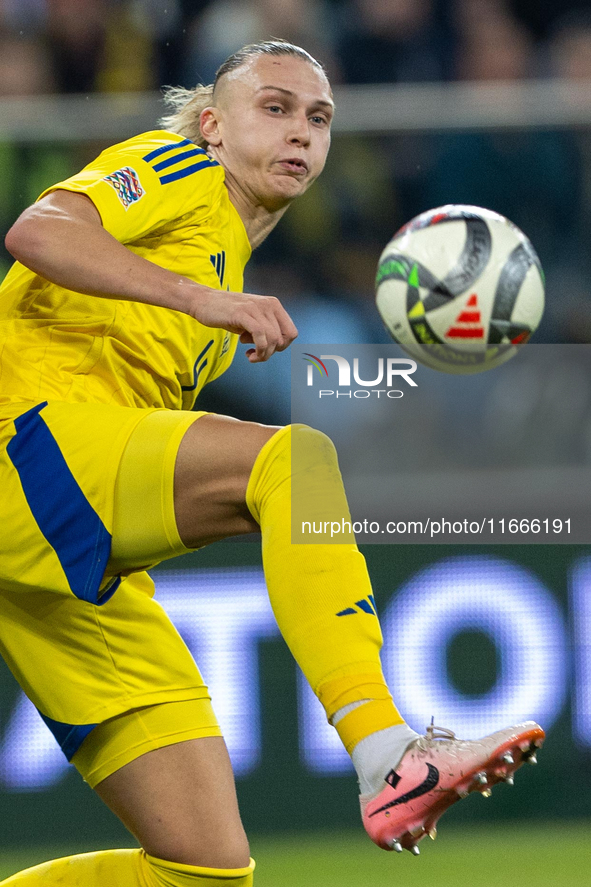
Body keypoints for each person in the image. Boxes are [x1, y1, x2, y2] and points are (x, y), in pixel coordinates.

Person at [0, 40, 543, 886]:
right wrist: (203, 300)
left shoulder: (224, 246)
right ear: (214, 125)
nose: (300, 133)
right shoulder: (177, 163)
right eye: (276, 108)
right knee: (291, 464)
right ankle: (385, 748)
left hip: (63, 536)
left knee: (204, 868)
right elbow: (37, 230)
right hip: (24, 444)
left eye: (318, 118)